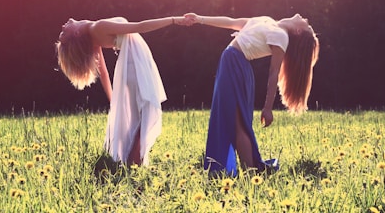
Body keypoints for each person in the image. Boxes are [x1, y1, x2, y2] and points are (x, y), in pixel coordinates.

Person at [184, 13, 320, 176]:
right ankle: (249, 171)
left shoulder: (281, 37)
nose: (305, 18)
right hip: (231, 62)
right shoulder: (269, 21)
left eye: (306, 24)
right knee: (235, 120)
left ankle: (250, 172)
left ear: (298, 31)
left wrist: (267, 108)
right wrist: (200, 19)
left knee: (238, 122)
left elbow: (273, 73)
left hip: (236, 65)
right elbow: (232, 21)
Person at [56, 16, 192, 166]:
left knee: (140, 117)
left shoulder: (93, 34)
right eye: (64, 33)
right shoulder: (98, 27)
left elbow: (104, 74)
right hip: (136, 66)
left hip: (133, 66)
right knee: (145, 114)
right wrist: (173, 20)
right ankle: (134, 162)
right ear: (76, 33)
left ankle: (132, 161)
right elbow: (140, 25)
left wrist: (114, 101)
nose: (63, 26)